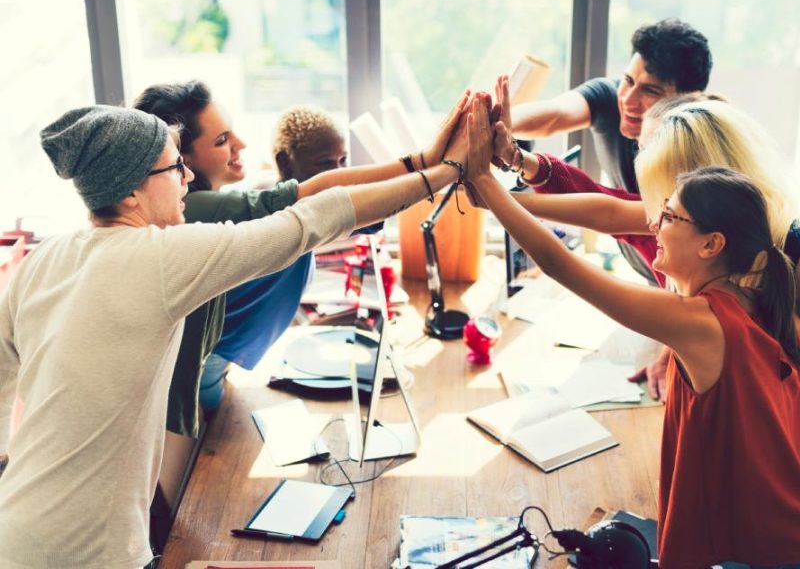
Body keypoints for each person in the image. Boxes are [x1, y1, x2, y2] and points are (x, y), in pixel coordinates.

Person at [0, 97, 468, 568]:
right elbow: (312, 220)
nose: (186, 178)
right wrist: (446, 173)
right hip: (87, 557)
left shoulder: (44, 259)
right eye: (173, 168)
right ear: (130, 194)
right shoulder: (160, 258)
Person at [464, 93, 800, 567]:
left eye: (666, 214)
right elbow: (609, 212)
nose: (652, 222)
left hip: (796, 550)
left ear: (712, 242)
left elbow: (559, 262)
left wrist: (487, 184)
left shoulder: (703, 320)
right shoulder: (770, 292)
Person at [133, 82, 430, 427]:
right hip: (193, 385)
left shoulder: (211, 206)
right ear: (179, 157)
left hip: (211, 370)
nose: (240, 144)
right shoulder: (195, 210)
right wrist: (430, 167)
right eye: (221, 140)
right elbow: (317, 203)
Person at [506, 18, 712, 284]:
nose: (627, 100)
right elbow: (555, 114)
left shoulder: (701, 163)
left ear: (689, 100)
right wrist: (501, 122)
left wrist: (494, 196)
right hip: (651, 277)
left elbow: (612, 213)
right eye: (628, 80)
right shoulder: (612, 96)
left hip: (688, 290)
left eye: (650, 91)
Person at [199, 104, 356, 410]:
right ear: (285, 161)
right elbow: (363, 214)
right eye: (326, 163)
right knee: (221, 439)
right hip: (208, 365)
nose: (339, 173)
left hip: (226, 358)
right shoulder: (283, 210)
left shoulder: (273, 191)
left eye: (344, 161)